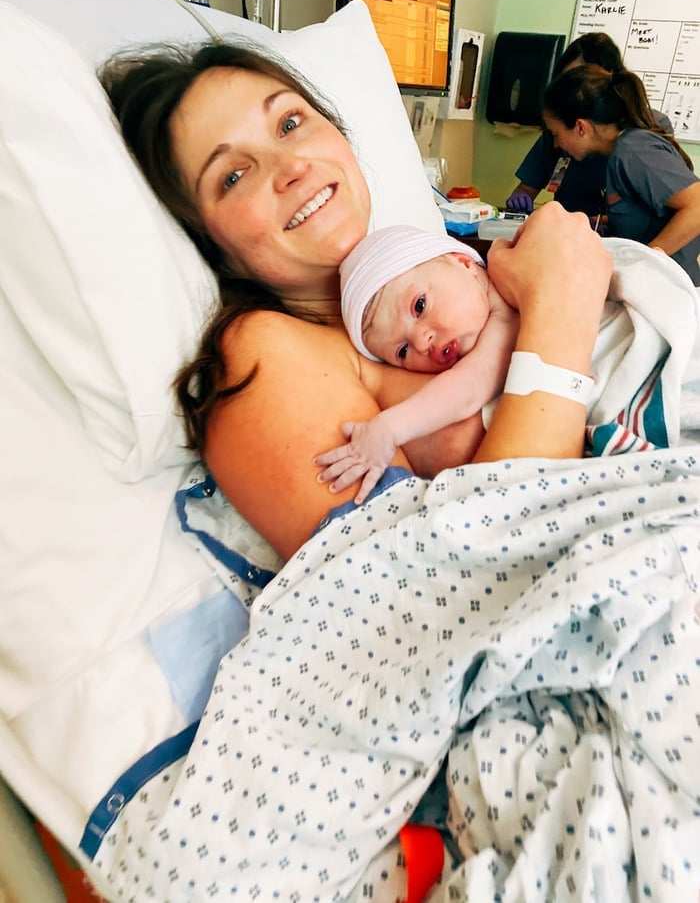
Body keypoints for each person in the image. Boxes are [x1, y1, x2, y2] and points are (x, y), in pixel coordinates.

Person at [100, 41, 612, 560]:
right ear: (211, 247)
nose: (290, 166)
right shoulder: (263, 353)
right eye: (233, 176)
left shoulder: (428, 276)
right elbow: (434, 590)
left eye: (290, 123)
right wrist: (565, 305)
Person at [314, 225, 519, 503]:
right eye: (402, 351)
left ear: (463, 262)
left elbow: (469, 387)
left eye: (420, 306)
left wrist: (387, 429)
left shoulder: (506, 307)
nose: (422, 342)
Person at [542, 64, 700, 286]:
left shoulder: (633, 149)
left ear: (580, 127)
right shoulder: (619, 154)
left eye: (556, 134)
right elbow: (648, 215)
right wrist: (596, 222)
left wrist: (645, 260)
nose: (557, 143)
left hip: (668, 287)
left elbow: (697, 205)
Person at [505, 32, 673, 222]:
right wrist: (520, 201)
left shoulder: (640, 136)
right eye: (567, 80)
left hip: (622, 240)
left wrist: (607, 224)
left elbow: (677, 205)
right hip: (571, 236)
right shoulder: (559, 131)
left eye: (584, 78)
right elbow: (527, 187)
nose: (572, 88)